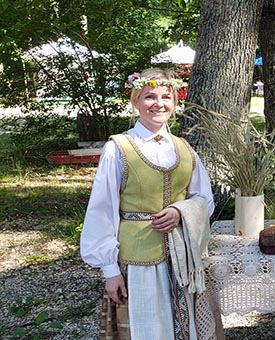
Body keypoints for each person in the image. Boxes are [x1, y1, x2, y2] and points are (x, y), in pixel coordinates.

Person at [80, 68, 215, 339]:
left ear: (175, 102)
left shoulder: (184, 148)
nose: (159, 103)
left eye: (166, 96)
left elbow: (204, 200)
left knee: (183, 328)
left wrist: (181, 211)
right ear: (135, 101)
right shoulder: (118, 148)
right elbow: (102, 210)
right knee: (147, 328)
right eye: (149, 96)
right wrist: (110, 270)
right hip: (138, 261)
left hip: (180, 259)